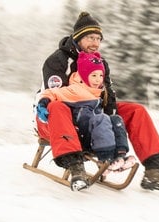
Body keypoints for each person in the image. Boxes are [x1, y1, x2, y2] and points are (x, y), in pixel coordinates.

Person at [35, 11, 159, 192]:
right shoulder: (58, 60)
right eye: (90, 38)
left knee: (136, 110)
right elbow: (53, 94)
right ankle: (75, 166)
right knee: (57, 106)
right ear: (78, 37)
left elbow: (108, 94)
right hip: (52, 119)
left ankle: (154, 170)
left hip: (91, 113)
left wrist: (110, 117)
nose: (95, 43)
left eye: (98, 39)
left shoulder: (99, 61)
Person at [36, 51, 133, 190]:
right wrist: (43, 103)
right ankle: (105, 159)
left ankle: (120, 156)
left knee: (116, 119)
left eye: (100, 75)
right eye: (93, 75)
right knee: (102, 119)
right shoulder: (75, 89)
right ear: (83, 75)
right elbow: (52, 92)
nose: (98, 79)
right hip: (82, 133)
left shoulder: (98, 91)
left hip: (95, 132)